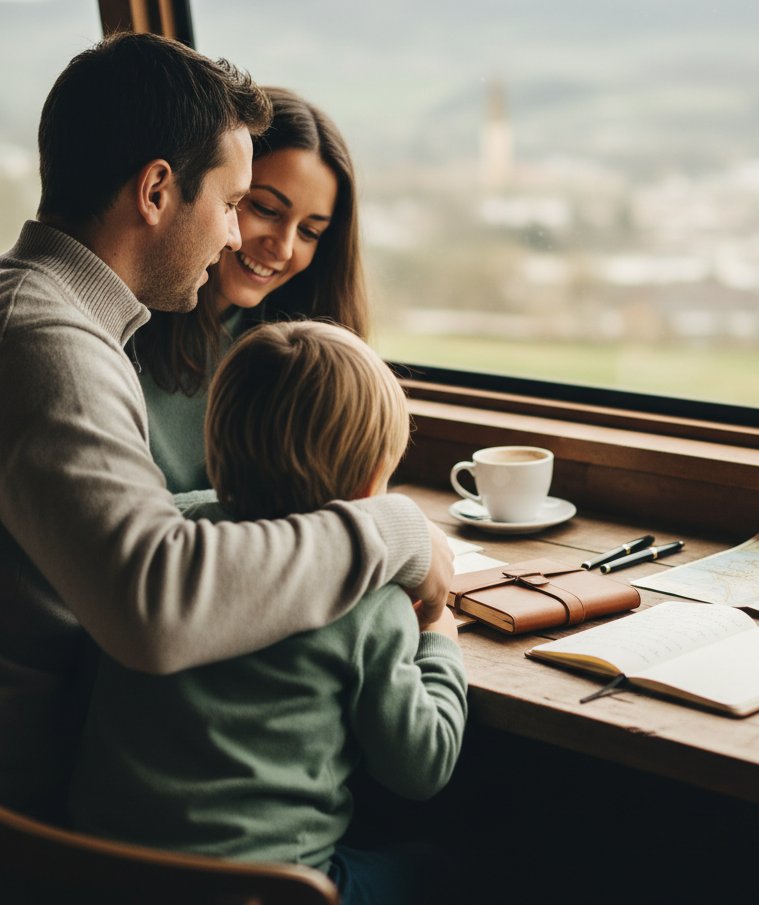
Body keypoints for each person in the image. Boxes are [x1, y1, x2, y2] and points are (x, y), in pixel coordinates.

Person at [0, 33, 452, 825]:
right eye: (234, 205)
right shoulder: (43, 341)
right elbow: (156, 606)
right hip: (36, 828)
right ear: (157, 191)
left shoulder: (36, 311)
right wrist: (392, 530)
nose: (237, 238)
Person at [70, 321, 467, 905]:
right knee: (439, 871)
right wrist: (438, 638)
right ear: (366, 493)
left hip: (101, 872)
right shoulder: (369, 605)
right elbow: (423, 764)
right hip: (262, 891)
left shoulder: (172, 545)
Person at [132, 87, 368, 494]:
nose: (285, 247)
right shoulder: (118, 335)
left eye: (310, 232)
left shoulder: (295, 353)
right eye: (264, 209)